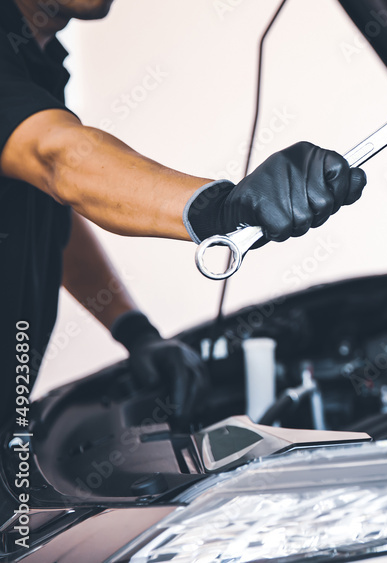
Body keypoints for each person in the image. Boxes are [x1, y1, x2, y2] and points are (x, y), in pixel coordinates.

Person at [0, 0, 367, 427]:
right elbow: (58, 160)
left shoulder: (39, 62)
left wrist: (133, 329)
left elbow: (46, 204)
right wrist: (221, 211)